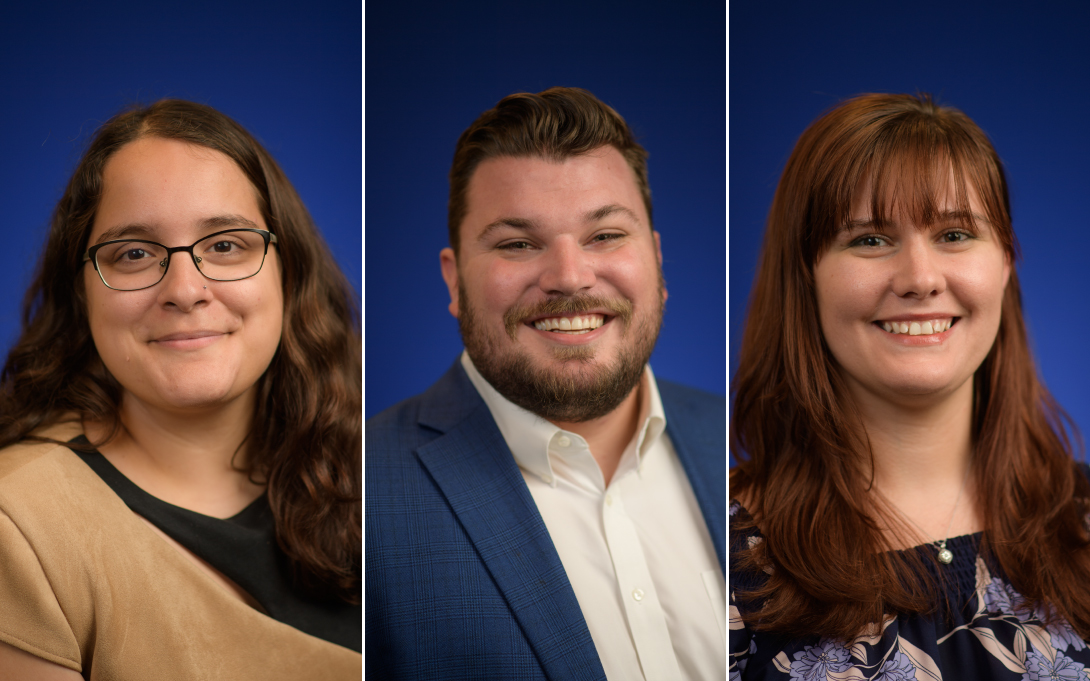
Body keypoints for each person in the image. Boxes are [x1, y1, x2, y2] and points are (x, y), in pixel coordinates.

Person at [366, 87, 726, 680]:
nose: (569, 276)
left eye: (605, 235)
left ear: (657, 262)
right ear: (454, 282)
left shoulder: (742, 449)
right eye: (517, 244)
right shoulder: (363, 494)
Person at [729, 93, 1090, 679]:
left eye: (954, 234)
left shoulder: (1083, 519)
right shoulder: (714, 558)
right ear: (805, 277)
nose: (921, 279)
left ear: (1005, 264)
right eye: (869, 239)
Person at [0, 100, 361, 679]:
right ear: (82, 292)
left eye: (225, 245)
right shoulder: (20, 524)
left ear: (287, 271)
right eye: (135, 254)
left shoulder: (381, 475)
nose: (185, 290)